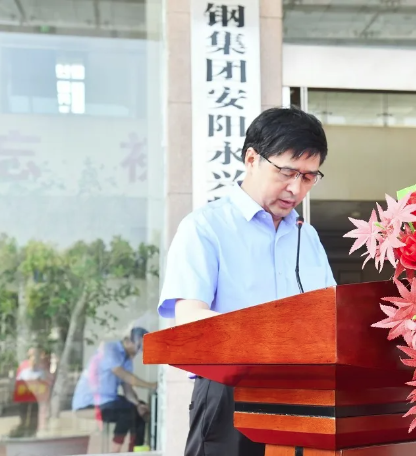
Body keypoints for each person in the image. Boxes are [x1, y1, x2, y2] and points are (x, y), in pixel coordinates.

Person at [158, 106, 337, 456]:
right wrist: (274, 339)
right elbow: (190, 320)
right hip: (230, 393)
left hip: (306, 395)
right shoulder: (205, 227)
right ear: (252, 159)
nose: (295, 188)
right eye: (287, 172)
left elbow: (330, 316)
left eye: (308, 177)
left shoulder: (308, 236)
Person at [72, 327, 157, 453]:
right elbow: (124, 375)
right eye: (139, 346)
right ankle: (114, 451)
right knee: (127, 411)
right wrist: (151, 385)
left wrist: (138, 404)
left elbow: (128, 389)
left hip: (108, 401)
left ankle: (135, 451)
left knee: (140, 410)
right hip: (90, 402)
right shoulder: (109, 349)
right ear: (128, 341)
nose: (140, 351)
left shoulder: (127, 359)